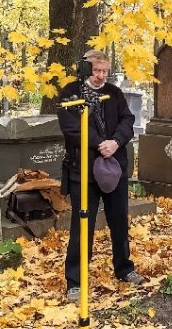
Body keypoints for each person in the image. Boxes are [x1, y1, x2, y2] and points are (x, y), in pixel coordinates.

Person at [57, 49, 143, 302]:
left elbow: (128, 119)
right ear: (86, 69)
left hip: (114, 167)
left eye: (105, 71)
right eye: (96, 71)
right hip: (83, 170)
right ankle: (75, 280)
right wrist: (99, 144)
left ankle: (124, 269)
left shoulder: (114, 93)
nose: (101, 76)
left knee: (119, 221)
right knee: (82, 225)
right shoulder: (70, 93)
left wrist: (115, 142)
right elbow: (71, 129)